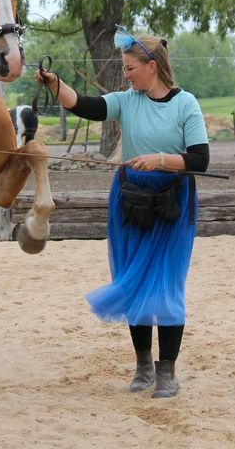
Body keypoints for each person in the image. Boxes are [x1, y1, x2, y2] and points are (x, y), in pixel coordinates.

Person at [35, 26, 209, 398]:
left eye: (130, 68)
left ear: (152, 66)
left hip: (172, 204)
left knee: (165, 285)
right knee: (133, 280)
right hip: (130, 199)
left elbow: (201, 159)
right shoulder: (127, 100)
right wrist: (56, 85)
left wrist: (160, 159)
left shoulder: (186, 104)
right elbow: (86, 105)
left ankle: (167, 373)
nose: (126, 75)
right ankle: (143, 365)